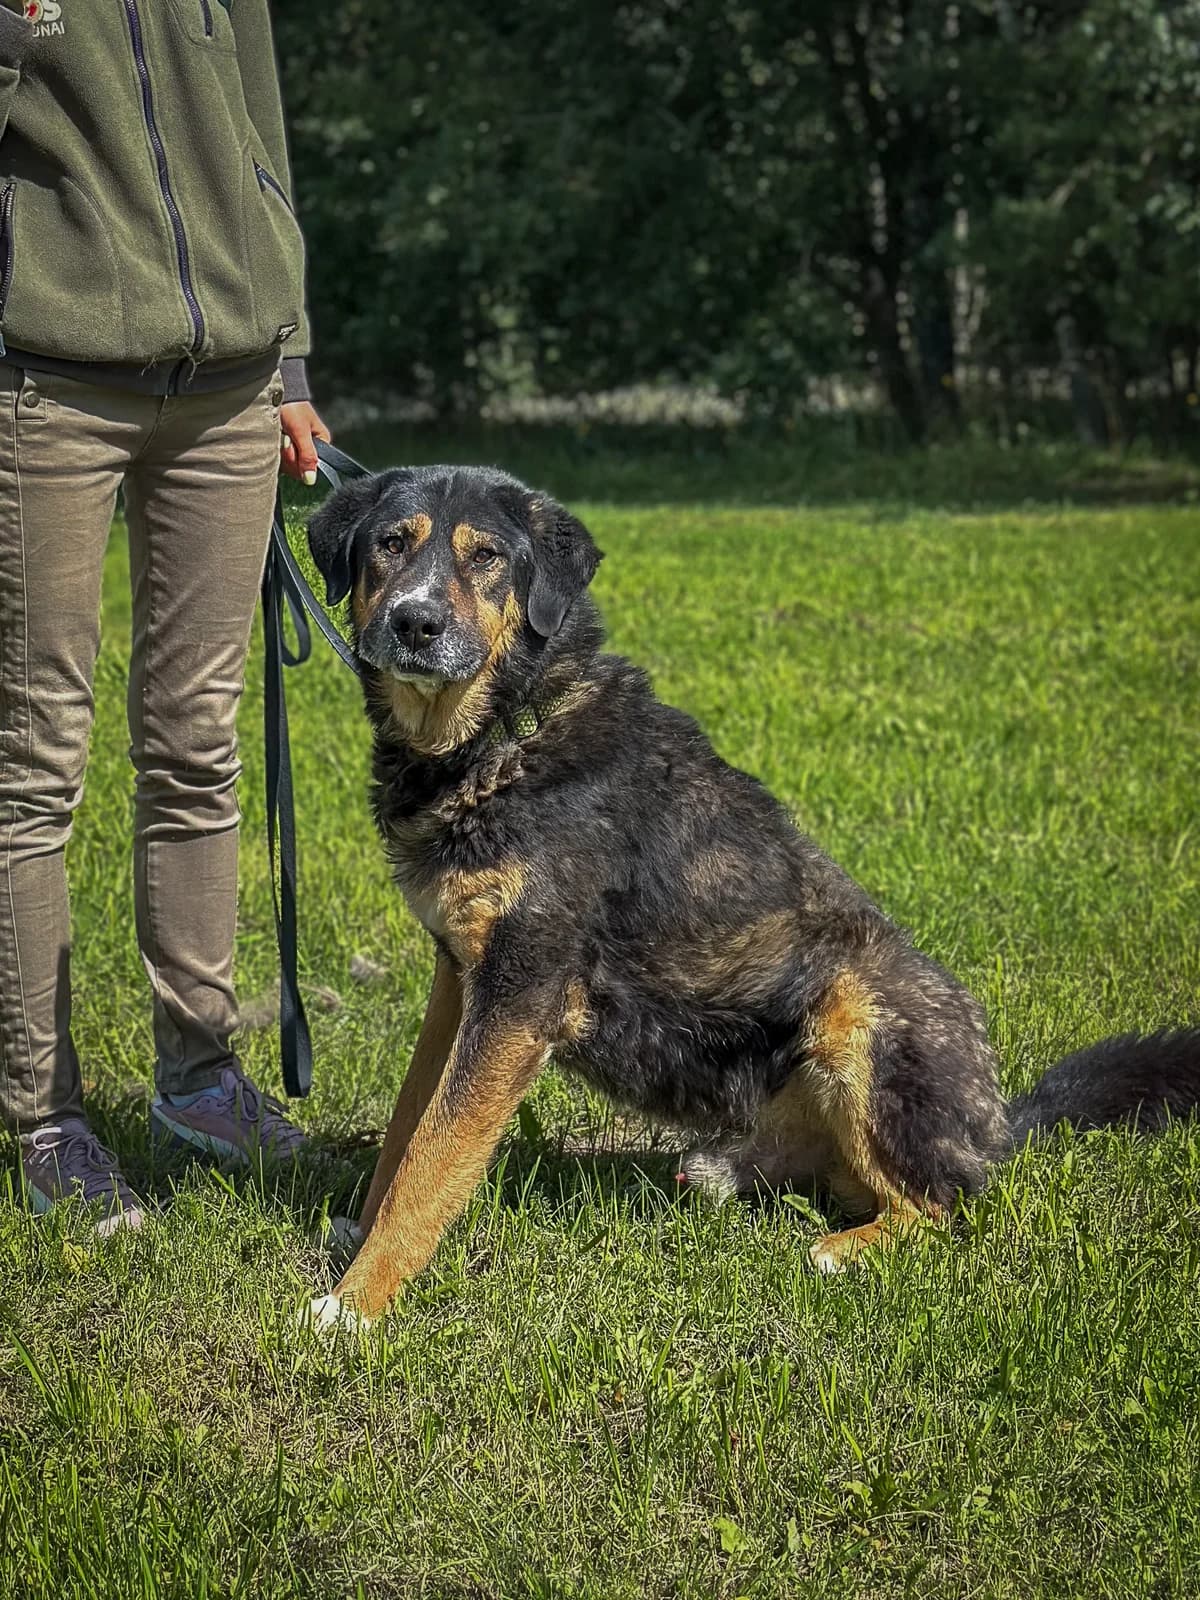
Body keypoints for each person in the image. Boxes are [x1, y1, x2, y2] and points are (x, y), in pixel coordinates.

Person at [0, 0, 330, 1231]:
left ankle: (200, 1079)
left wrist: (288, 360)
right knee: (35, 764)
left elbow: (262, 137)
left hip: (230, 392)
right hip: (45, 384)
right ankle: (46, 1118)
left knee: (198, 743)